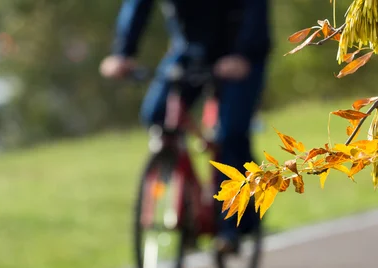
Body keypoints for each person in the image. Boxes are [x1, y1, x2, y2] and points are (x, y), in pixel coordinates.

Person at [100, 0, 271, 253]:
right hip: (192, 50)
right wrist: (123, 54)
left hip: (241, 51)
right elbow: (137, 7)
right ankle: (186, 201)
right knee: (157, 114)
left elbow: (255, 9)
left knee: (231, 134)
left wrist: (243, 53)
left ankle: (235, 226)